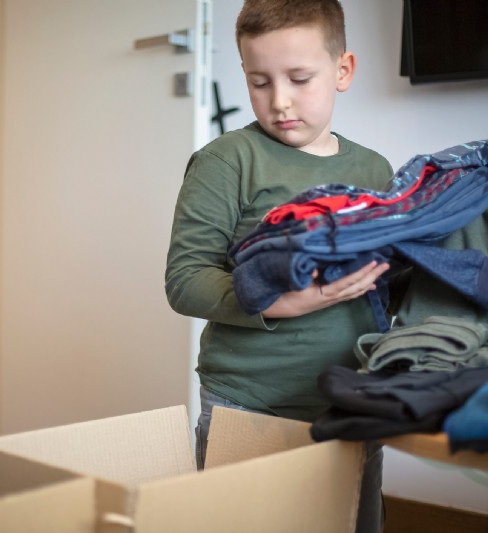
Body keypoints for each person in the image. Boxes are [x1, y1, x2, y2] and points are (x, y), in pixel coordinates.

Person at [165, 0, 392, 531]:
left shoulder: (373, 169)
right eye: (259, 82)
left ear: (343, 71)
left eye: (299, 78)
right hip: (250, 400)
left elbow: (389, 277)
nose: (280, 101)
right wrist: (280, 301)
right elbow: (185, 278)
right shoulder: (227, 161)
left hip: (350, 397)